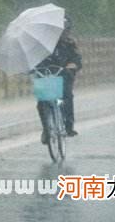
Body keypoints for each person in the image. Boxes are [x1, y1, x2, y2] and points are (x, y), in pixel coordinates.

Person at [35, 16, 82, 144]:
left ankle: (68, 126)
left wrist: (72, 65)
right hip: (46, 76)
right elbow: (34, 60)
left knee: (67, 97)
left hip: (64, 75)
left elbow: (77, 59)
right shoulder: (41, 45)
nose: (63, 33)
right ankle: (46, 129)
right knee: (42, 103)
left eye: (65, 30)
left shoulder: (69, 44)